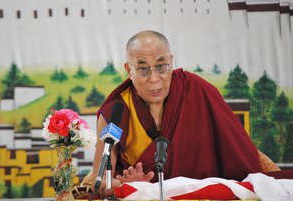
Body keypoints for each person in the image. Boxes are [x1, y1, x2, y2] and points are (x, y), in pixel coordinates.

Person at [81, 30, 263, 197]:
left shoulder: (195, 90)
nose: (154, 79)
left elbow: (236, 154)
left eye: (161, 66)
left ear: (171, 62)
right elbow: (102, 181)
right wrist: (128, 185)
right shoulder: (116, 111)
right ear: (129, 70)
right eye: (143, 69)